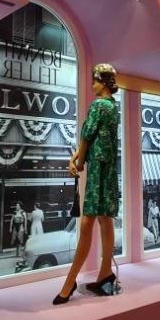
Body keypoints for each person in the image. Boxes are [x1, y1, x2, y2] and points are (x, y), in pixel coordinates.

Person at [54, 63, 121, 305]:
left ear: (103, 81)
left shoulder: (99, 105)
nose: (92, 84)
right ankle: (105, 274)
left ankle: (70, 282)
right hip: (108, 169)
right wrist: (77, 157)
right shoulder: (113, 106)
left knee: (86, 224)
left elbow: (86, 136)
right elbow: (92, 139)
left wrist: (79, 161)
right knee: (105, 220)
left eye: (95, 80)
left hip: (97, 170)